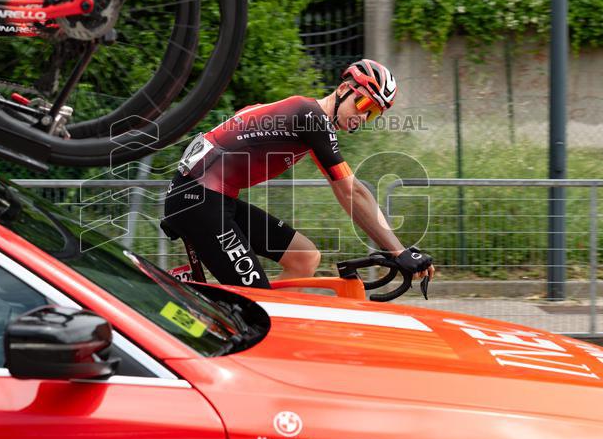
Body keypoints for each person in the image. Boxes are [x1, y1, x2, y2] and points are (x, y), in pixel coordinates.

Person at [162, 58, 436, 288]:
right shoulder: (312, 117)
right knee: (256, 303)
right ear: (343, 89)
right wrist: (398, 251)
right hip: (199, 200)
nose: (362, 118)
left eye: (373, 114)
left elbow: (242, 119)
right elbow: (351, 192)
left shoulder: (303, 116)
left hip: (210, 198)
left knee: (303, 257)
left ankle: (194, 292)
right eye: (363, 105)